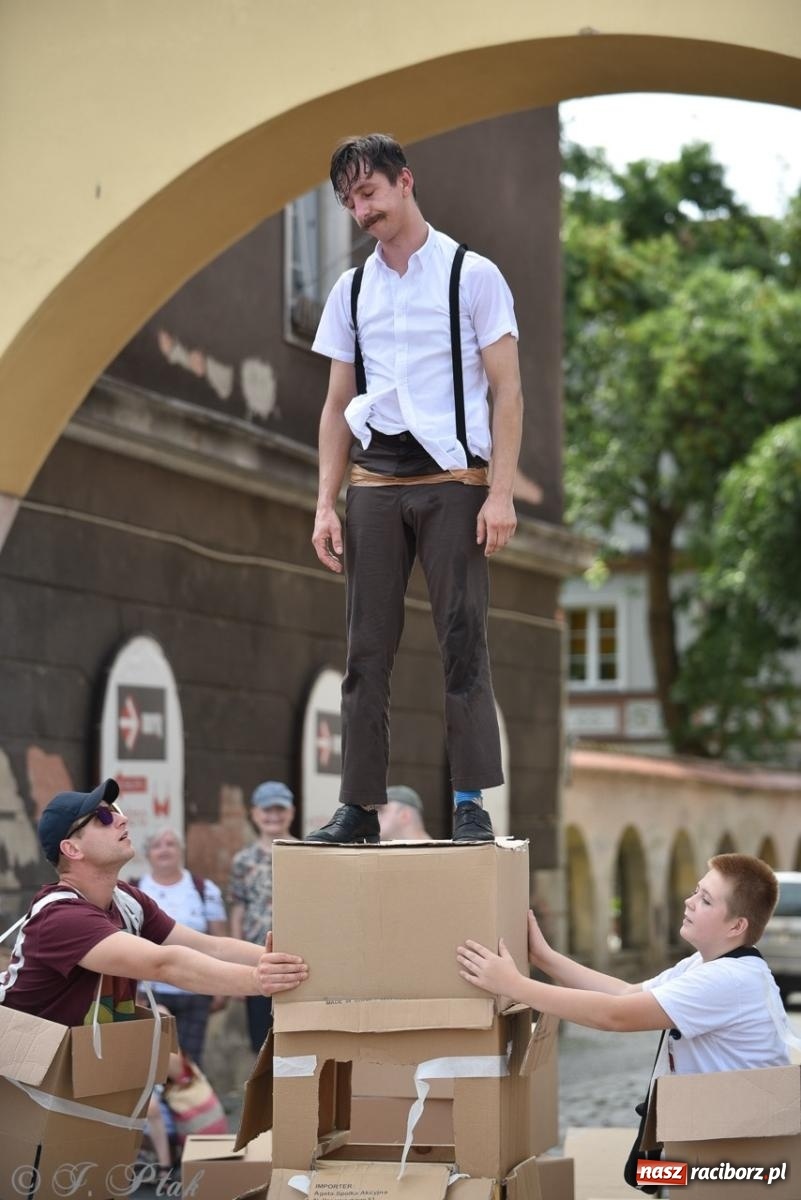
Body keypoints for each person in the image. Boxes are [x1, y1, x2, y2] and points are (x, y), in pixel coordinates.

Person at [308, 133, 524, 847]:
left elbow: (507, 388)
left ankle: (468, 802)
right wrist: (324, 504)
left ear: (404, 181)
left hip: (455, 478)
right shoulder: (351, 290)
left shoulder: (472, 274)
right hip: (375, 479)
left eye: (368, 192)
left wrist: (499, 492)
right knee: (365, 649)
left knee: (462, 640)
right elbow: (337, 402)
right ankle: (358, 807)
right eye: (349, 201)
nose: (361, 210)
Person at [0, 779, 308, 1028]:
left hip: (72, 1066)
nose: (121, 819)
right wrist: (258, 980)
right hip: (20, 1070)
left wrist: (296, 963)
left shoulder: (126, 899)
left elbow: (210, 946)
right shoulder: (62, 917)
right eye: (103, 817)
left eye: (115, 810)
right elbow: (165, 964)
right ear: (72, 849)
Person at [457, 854, 790, 1074]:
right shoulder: (704, 964)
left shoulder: (729, 980)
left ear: (737, 926)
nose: (689, 902)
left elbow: (614, 1015)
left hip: (736, 1150)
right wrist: (544, 957)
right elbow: (625, 993)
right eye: (695, 891)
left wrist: (514, 985)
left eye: (705, 900)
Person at [134, 828, 228, 1066]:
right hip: (150, 990)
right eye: (157, 845)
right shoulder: (134, 891)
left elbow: (218, 939)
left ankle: (189, 1092)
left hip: (196, 988)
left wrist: (220, 986)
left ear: (181, 851)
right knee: (151, 1060)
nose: (164, 850)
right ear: (147, 854)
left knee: (190, 1061)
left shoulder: (204, 889)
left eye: (170, 844)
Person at [228, 780, 297, 1053]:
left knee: (296, 1038)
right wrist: (236, 963)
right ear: (254, 814)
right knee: (261, 1041)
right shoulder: (243, 860)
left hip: (298, 958)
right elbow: (238, 908)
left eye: (280, 809)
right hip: (257, 958)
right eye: (267, 810)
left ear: (291, 812)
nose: (273, 816)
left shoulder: (304, 851)